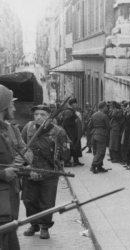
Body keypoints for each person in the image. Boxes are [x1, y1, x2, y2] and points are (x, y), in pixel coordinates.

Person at [21, 104, 70, 240]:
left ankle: (44, 227)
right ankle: (34, 224)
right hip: (30, 171)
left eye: (42, 114)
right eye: (36, 114)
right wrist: (27, 166)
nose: (38, 117)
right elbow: (21, 147)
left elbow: (65, 154)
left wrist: (60, 148)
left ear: (49, 116)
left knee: (47, 202)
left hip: (49, 172)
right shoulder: (28, 128)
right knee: (29, 201)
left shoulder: (58, 131)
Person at [0, 85, 33, 250]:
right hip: (1, 199)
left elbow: (23, 150)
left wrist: (21, 165)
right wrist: (2, 173)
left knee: (10, 236)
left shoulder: (9, 129)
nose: (14, 107)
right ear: (3, 107)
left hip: (10, 195)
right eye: (10, 105)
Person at [88, 101, 111, 174]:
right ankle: (93, 166)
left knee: (96, 151)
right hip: (101, 135)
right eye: (106, 106)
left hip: (94, 134)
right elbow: (109, 126)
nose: (107, 107)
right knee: (101, 151)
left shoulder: (94, 115)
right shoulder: (104, 115)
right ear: (103, 107)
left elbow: (89, 126)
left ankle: (99, 166)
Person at [61, 98, 83, 166]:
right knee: (70, 146)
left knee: (76, 146)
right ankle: (67, 162)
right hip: (70, 132)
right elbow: (66, 123)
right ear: (72, 104)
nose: (76, 105)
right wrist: (75, 123)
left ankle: (76, 161)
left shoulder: (72, 111)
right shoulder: (69, 111)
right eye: (75, 103)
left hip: (74, 132)